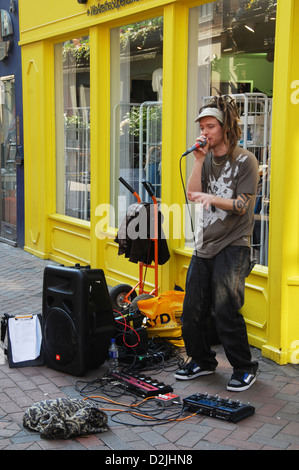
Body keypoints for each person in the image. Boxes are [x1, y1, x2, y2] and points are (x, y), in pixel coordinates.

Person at [174, 94, 259, 392]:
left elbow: (242, 206)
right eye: (202, 127)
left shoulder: (245, 160)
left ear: (225, 127)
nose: (205, 132)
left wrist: (214, 199)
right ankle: (202, 360)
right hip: (205, 244)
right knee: (191, 309)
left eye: (211, 126)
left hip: (234, 245)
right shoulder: (205, 158)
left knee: (226, 310)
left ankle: (245, 367)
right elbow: (193, 194)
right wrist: (198, 161)